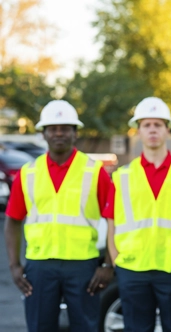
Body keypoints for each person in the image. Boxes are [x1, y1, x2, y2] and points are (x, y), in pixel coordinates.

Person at [4, 100, 113, 331]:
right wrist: (14, 265)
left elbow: (114, 219)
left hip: (83, 266)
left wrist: (108, 264)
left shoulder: (94, 171)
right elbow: (13, 219)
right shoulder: (29, 172)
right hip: (40, 267)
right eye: (53, 128)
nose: (59, 133)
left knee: (86, 327)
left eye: (65, 128)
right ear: (44, 134)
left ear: (75, 133)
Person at [103, 97, 171, 332]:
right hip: (132, 271)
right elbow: (112, 223)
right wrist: (117, 260)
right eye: (147, 125)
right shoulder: (122, 176)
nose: (152, 130)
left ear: (167, 130)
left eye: (158, 124)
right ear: (138, 130)